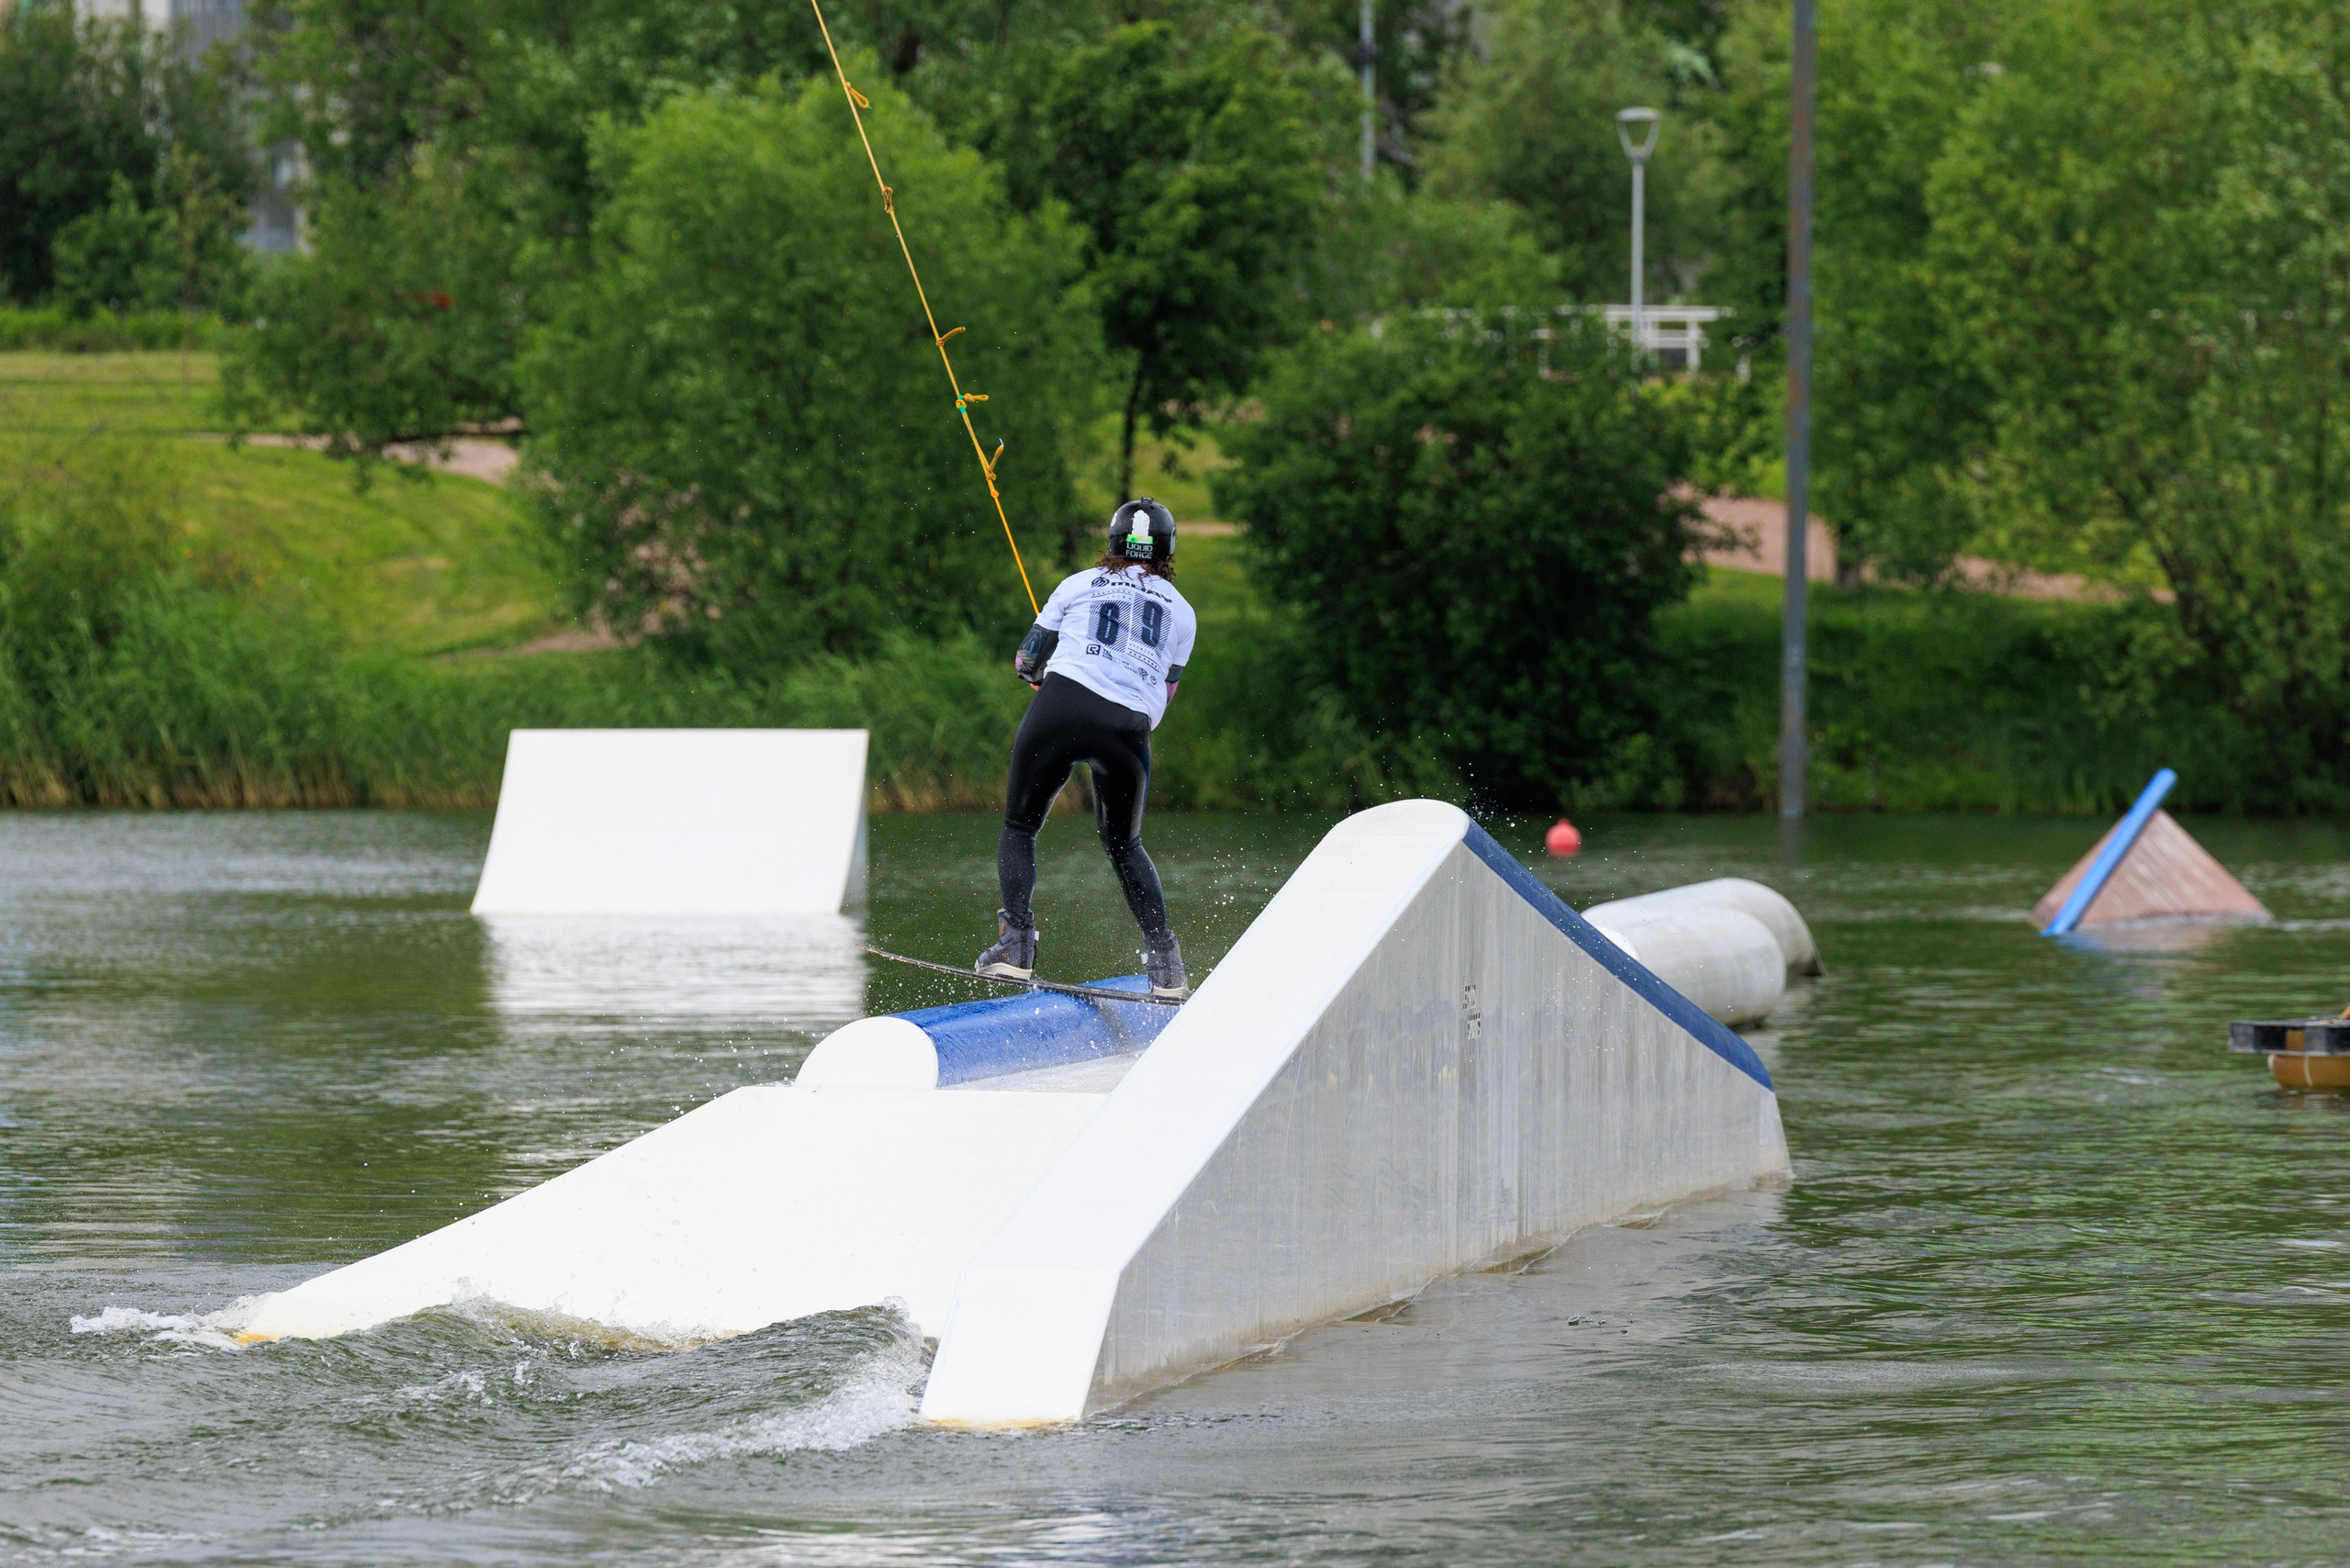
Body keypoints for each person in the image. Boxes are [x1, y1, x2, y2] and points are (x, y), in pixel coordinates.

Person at [976, 497, 1198, 999]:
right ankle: (1166, 966)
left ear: (1114, 543)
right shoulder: (1182, 614)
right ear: (1167, 552)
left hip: (1062, 706)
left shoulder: (1077, 584)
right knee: (1125, 845)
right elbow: (1165, 690)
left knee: (1019, 826)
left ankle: (1016, 947)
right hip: (1128, 728)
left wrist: (1036, 678)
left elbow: (1028, 658)